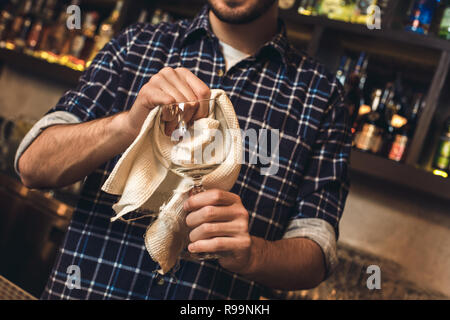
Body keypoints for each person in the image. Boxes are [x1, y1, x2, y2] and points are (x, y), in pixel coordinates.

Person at [15, 0, 351, 300]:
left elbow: (317, 252)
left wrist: (253, 256)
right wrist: (129, 125)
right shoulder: (137, 44)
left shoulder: (323, 96)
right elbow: (33, 166)